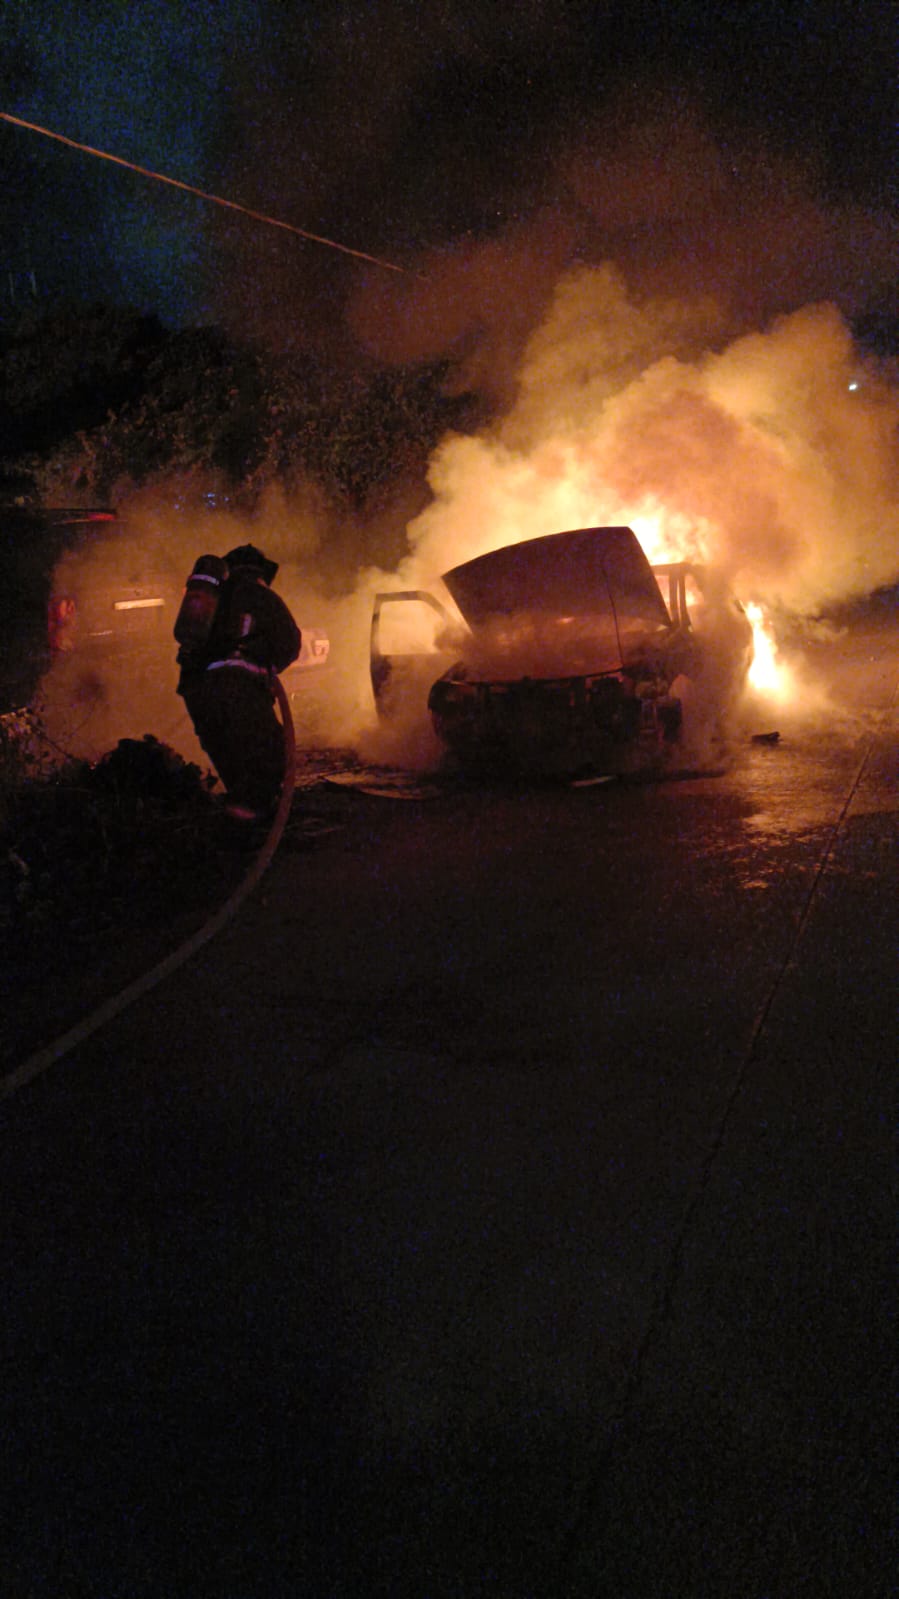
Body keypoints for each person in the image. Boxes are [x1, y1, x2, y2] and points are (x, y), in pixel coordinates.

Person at [176, 543, 300, 825]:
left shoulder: (213, 598)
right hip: (239, 689)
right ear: (259, 571)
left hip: (197, 692)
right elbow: (290, 643)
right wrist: (268, 668)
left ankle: (239, 822)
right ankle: (255, 826)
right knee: (270, 752)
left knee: (228, 755)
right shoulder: (261, 596)